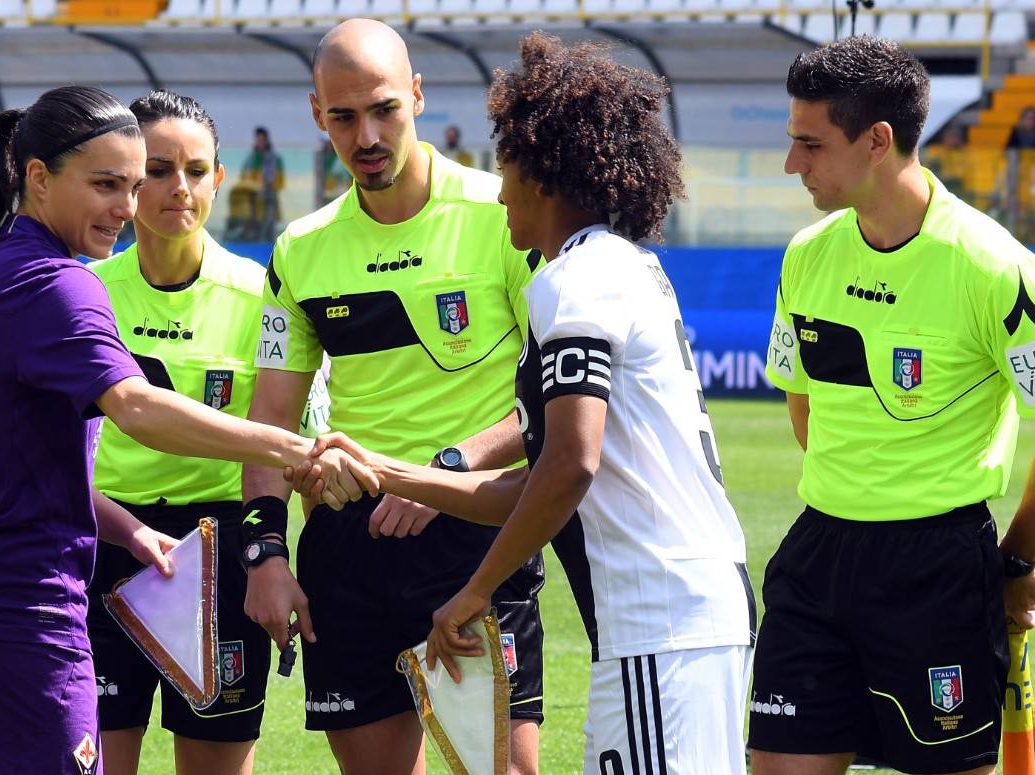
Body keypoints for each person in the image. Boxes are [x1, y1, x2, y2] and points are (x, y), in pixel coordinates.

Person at [298, 31, 756, 775]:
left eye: (507, 166)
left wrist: (473, 590)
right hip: (669, 616)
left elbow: (567, 468)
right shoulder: (615, 264)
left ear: (544, 174)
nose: (499, 187)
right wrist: (388, 468)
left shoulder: (573, 282)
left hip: (659, 617)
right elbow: (528, 481)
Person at [0, 85, 374, 775]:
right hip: (15, 608)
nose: (127, 204)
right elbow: (136, 407)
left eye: (131, 181)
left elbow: (9, 460)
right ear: (38, 178)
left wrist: (124, 527)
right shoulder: (62, 282)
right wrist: (295, 445)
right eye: (109, 184)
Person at [240, 18, 547, 775]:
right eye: (343, 116)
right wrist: (266, 555)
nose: (366, 135)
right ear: (317, 115)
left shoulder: (504, 216)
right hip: (351, 546)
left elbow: (552, 398)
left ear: (416, 95)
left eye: (384, 109)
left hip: (474, 530)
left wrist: (445, 470)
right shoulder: (300, 250)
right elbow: (269, 424)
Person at [751, 36, 1035, 775]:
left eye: (810, 145)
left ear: (878, 140)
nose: (792, 165)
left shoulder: (993, 265)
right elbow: (803, 402)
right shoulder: (806, 254)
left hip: (938, 570)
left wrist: (1024, 555)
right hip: (819, 556)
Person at [82, 90, 279, 775]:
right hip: (101, 548)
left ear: (219, 178)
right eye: (159, 170)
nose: (180, 188)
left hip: (219, 555)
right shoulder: (83, 294)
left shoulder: (262, 296)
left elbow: (277, 449)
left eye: (196, 170)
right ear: (132, 179)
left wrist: (266, 558)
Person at [238, 127, 284, 240]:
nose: (259, 142)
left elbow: (280, 181)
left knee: (268, 230)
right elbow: (243, 179)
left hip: (268, 201)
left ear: (266, 140)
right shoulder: (250, 159)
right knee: (252, 231)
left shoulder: (275, 159)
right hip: (252, 201)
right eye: (257, 139)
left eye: (262, 139)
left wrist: (267, 188)